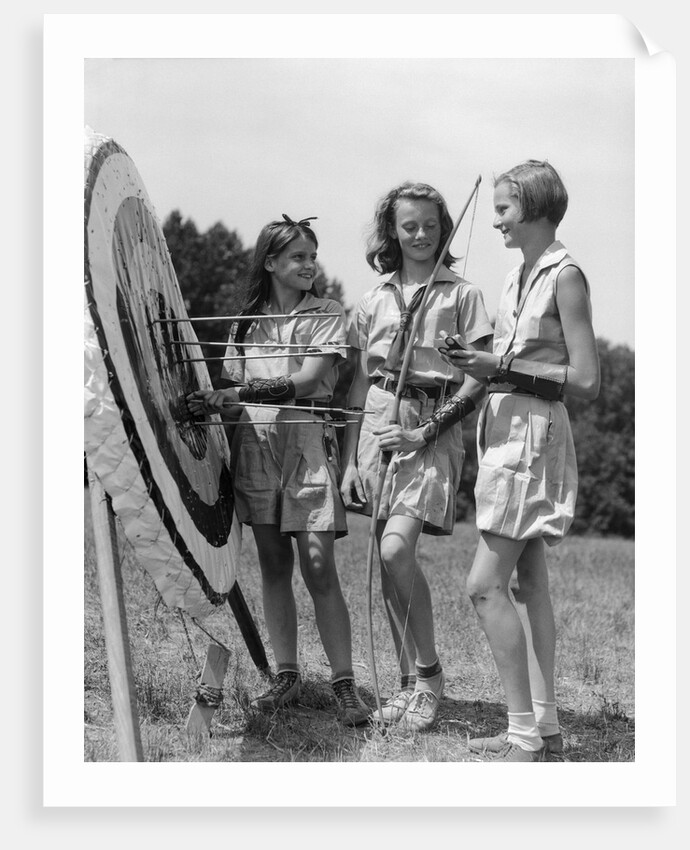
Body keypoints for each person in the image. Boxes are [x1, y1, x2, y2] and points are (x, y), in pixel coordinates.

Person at [439, 160, 601, 761]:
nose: (496, 220)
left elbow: (585, 378)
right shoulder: (513, 278)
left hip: (535, 431)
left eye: (503, 209)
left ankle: (522, 734)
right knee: (529, 583)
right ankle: (546, 729)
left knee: (484, 587)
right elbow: (504, 362)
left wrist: (503, 369)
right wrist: (473, 363)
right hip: (504, 430)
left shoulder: (566, 276)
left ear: (532, 208)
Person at [187, 215, 369, 727]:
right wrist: (206, 403)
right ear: (271, 263)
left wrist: (236, 393)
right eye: (298, 257)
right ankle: (285, 676)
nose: (310, 265)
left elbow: (310, 382)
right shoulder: (244, 323)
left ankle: (344, 684)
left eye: (313, 255)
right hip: (253, 447)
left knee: (317, 565)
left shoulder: (328, 312)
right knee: (272, 563)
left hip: (306, 442)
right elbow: (230, 399)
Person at [341, 182, 493, 731]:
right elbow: (359, 384)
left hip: (432, 422)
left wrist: (427, 431)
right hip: (379, 421)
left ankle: (428, 678)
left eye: (431, 225)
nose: (421, 235)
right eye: (410, 226)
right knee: (383, 557)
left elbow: (481, 378)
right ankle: (406, 685)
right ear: (392, 231)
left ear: (444, 227)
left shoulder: (463, 295)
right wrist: (349, 460)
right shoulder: (373, 298)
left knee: (396, 547)